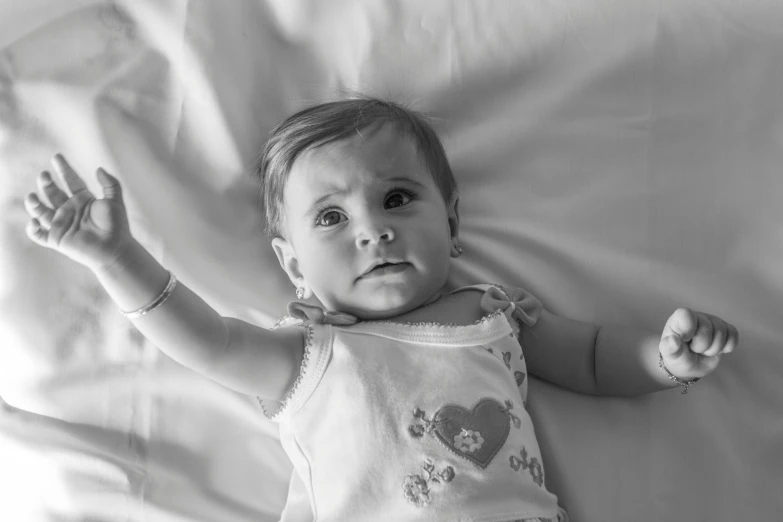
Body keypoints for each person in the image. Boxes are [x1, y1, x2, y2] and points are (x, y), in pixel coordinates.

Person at [22, 96, 739, 522]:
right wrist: (116, 257)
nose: (373, 228)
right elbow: (204, 340)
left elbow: (588, 357)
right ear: (294, 264)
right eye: (331, 218)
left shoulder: (494, 314)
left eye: (397, 198)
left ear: (452, 224)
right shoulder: (307, 354)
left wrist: (663, 358)